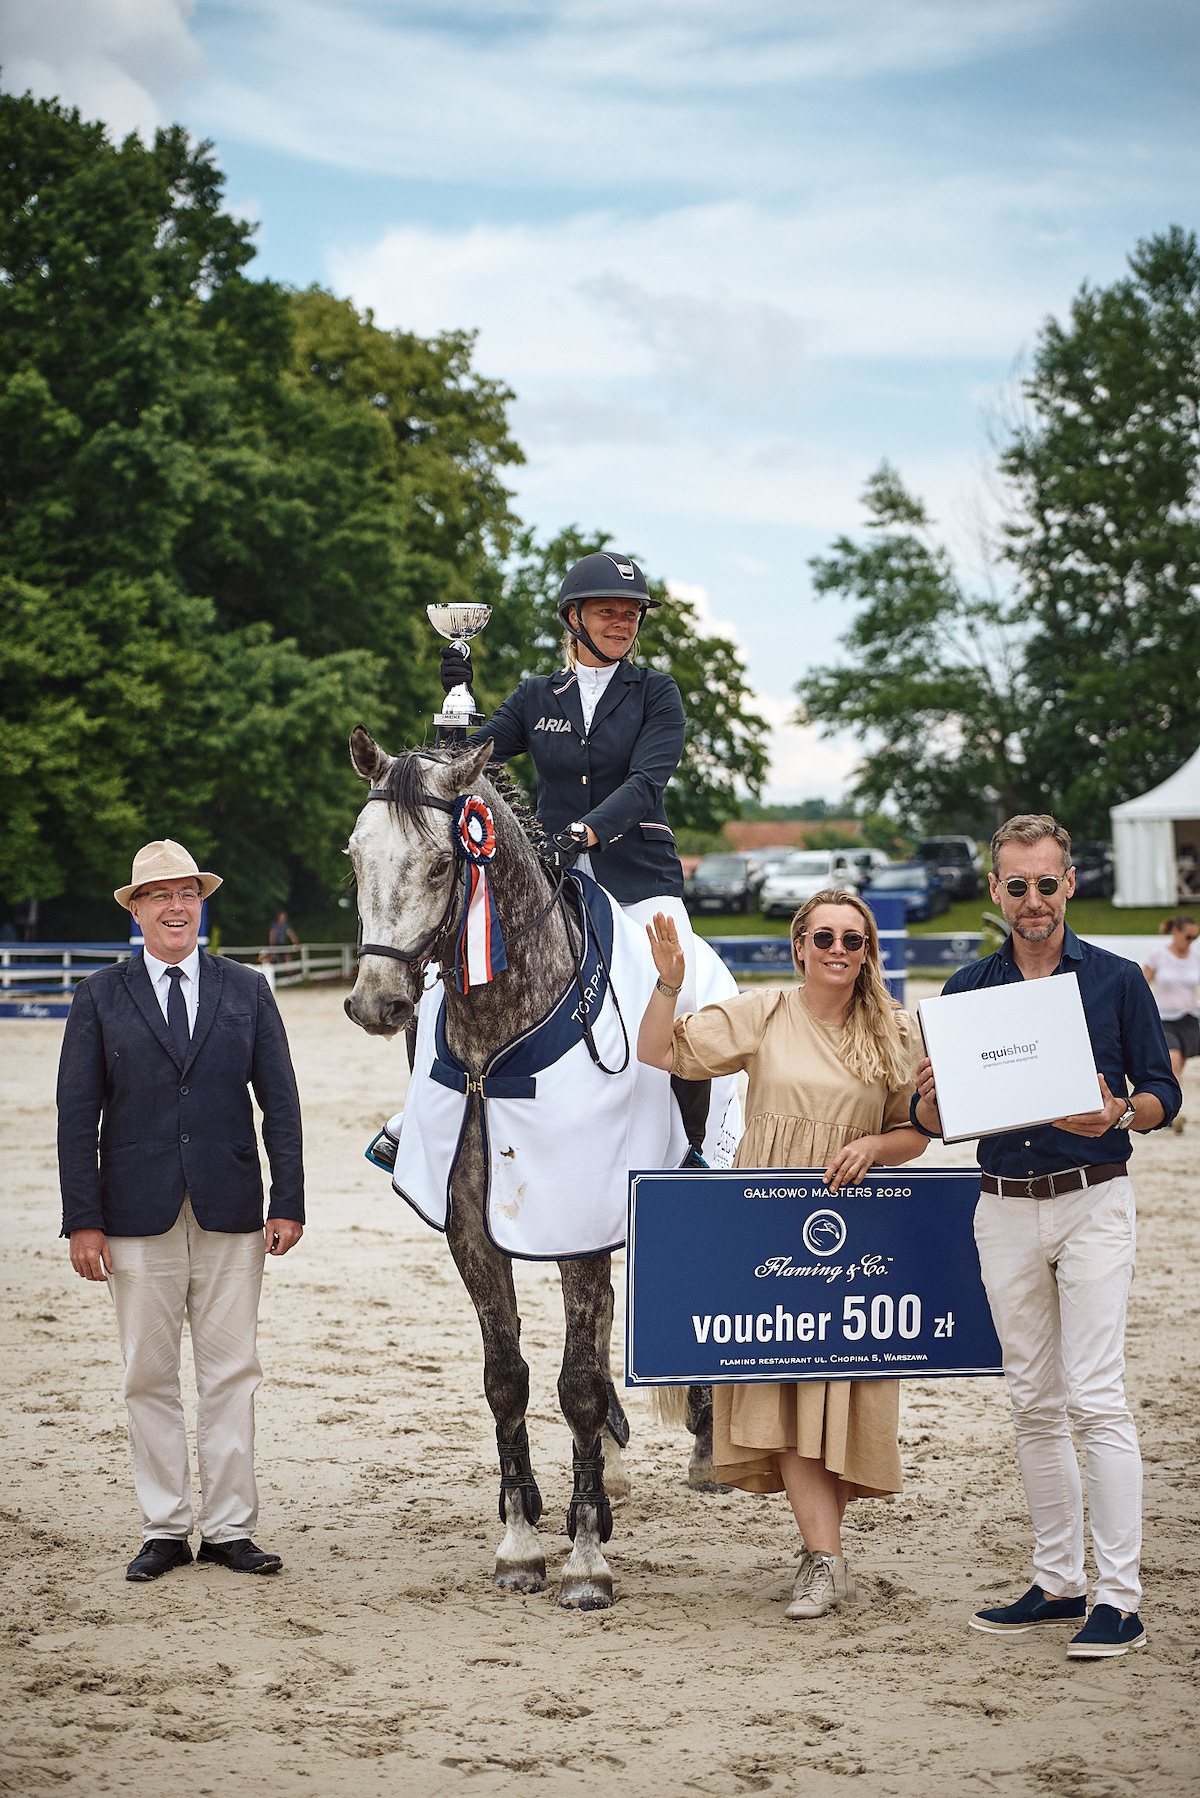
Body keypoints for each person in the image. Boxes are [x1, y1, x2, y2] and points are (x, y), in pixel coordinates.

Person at [913, 814, 1180, 1660]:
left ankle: (1122, 1600)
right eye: (1017, 885)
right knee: (1032, 1401)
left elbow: (1164, 1094)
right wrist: (928, 1096)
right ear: (996, 890)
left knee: (1096, 1396)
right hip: (1002, 1203)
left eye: (1047, 882)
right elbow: (934, 1120)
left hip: (1094, 1199)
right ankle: (1060, 1582)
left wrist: (1118, 1113)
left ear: (1071, 883)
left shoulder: (1115, 980)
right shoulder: (964, 991)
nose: (1033, 899)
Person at [637, 888, 929, 1619]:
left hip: (854, 1232)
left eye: (852, 940)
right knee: (788, 1391)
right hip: (768, 1229)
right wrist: (669, 982)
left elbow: (916, 1133)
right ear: (800, 945)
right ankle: (823, 1560)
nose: (838, 950)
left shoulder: (894, 1031)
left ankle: (823, 1551)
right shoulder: (763, 1013)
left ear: (868, 953)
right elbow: (658, 1050)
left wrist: (872, 1145)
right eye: (823, 937)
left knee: (838, 1392)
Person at [57, 839, 305, 1582]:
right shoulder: (98, 997)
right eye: (159, 895)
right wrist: (83, 1219)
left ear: (202, 903)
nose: (175, 907)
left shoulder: (248, 989)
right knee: (148, 1376)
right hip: (133, 1215)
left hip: (233, 1209)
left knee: (233, 1373)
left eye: (187, 893)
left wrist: (287, 1199)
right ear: (135, 909)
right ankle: (165, 1527)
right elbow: (77, 1116)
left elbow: (281, 1104)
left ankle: (230, 1529)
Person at [441, 550, 718, 1153]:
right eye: (607, 612)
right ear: (574, 617)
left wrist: (583, 833)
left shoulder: (657, 694)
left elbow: (646, 784)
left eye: (632, 613)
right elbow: (470, 763)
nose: (623, 623)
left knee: (686, 998)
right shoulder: (539, 695)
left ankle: (691, 1142)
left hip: (639, 876)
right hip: (550, 880)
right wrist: (454, 710)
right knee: (454, 981)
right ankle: (418, 1125)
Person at [1142, 915, 1200, 1130]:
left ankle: (1170, 1110)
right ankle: (1177, 1115)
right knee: (1173, 1063)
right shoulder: (1159, 956)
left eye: (1195, 937)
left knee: (1179, 1069)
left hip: (1188, 1020)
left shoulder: (1195, 958)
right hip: (1164, 1019)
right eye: (1188, 936)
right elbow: (1141, 983)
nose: (1192, 941)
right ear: (1176, 933)